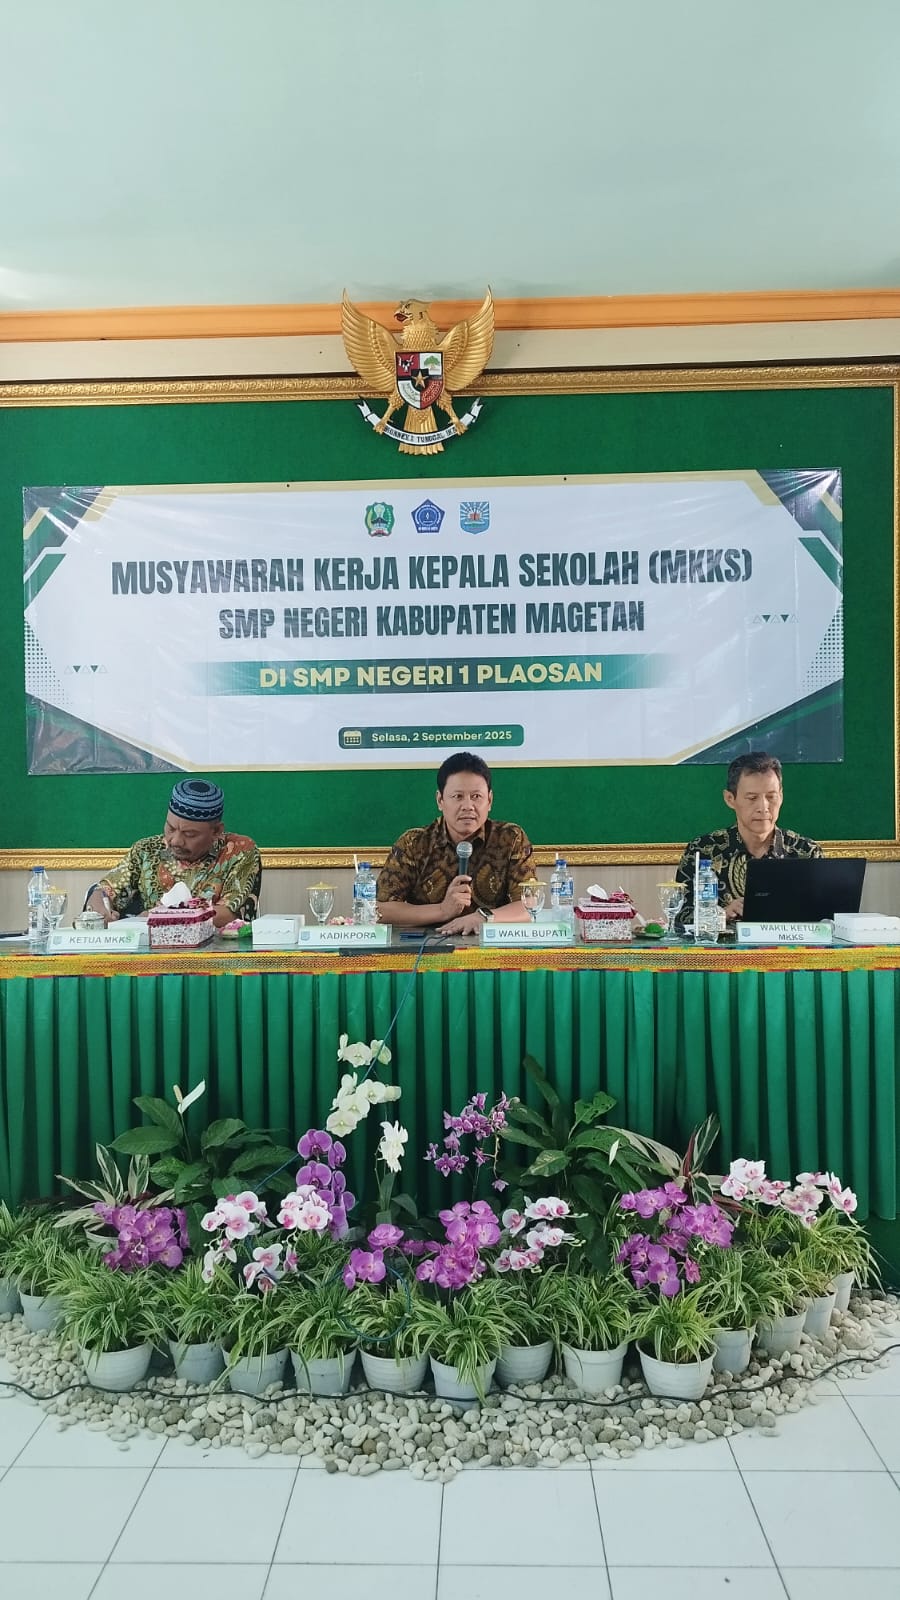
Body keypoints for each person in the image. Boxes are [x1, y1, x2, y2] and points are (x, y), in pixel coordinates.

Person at [376, 751, 535, 935]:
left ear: (490, 800)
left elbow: (530, 905)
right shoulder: (414, 843)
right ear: (440, 800)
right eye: (458, 796)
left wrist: (483, 917)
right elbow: (380, 910)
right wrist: (442, 910)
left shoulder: (511, 838)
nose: (468, 806)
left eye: (476, 796)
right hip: (428, 945)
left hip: (491, 944)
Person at [87, 779, 261, 929]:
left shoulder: (238, 851)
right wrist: (98, 906)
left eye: (189, 834)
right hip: (151, 953)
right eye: (170, 828)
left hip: (217, 953)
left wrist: (159, 917)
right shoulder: (146, 850)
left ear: (216, 831)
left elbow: (229, 914)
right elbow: (105, 891)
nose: (176, 841)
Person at [675, 752, 823, 926]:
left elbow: (825, 918)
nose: (763, 807)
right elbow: (680, 916)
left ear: (781, 796)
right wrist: (720, 915)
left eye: (771, 797)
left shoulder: (806, 852)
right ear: (730, 799)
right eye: (752, 798)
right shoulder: (703, 851)